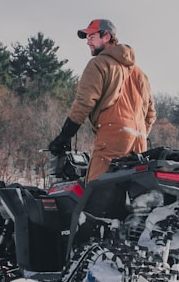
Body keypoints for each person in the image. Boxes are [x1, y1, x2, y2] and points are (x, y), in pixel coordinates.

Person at [48, 18, 156, 182]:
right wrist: (137, 132)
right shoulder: (140, 74)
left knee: (95, 189)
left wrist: (65, 135)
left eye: (92, 37)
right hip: (140, 142)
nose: (88, 42)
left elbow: (84, 102)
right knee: (127, 195)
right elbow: (151, 115)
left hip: (112, 136)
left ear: (106, 36)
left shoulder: (99, 64)